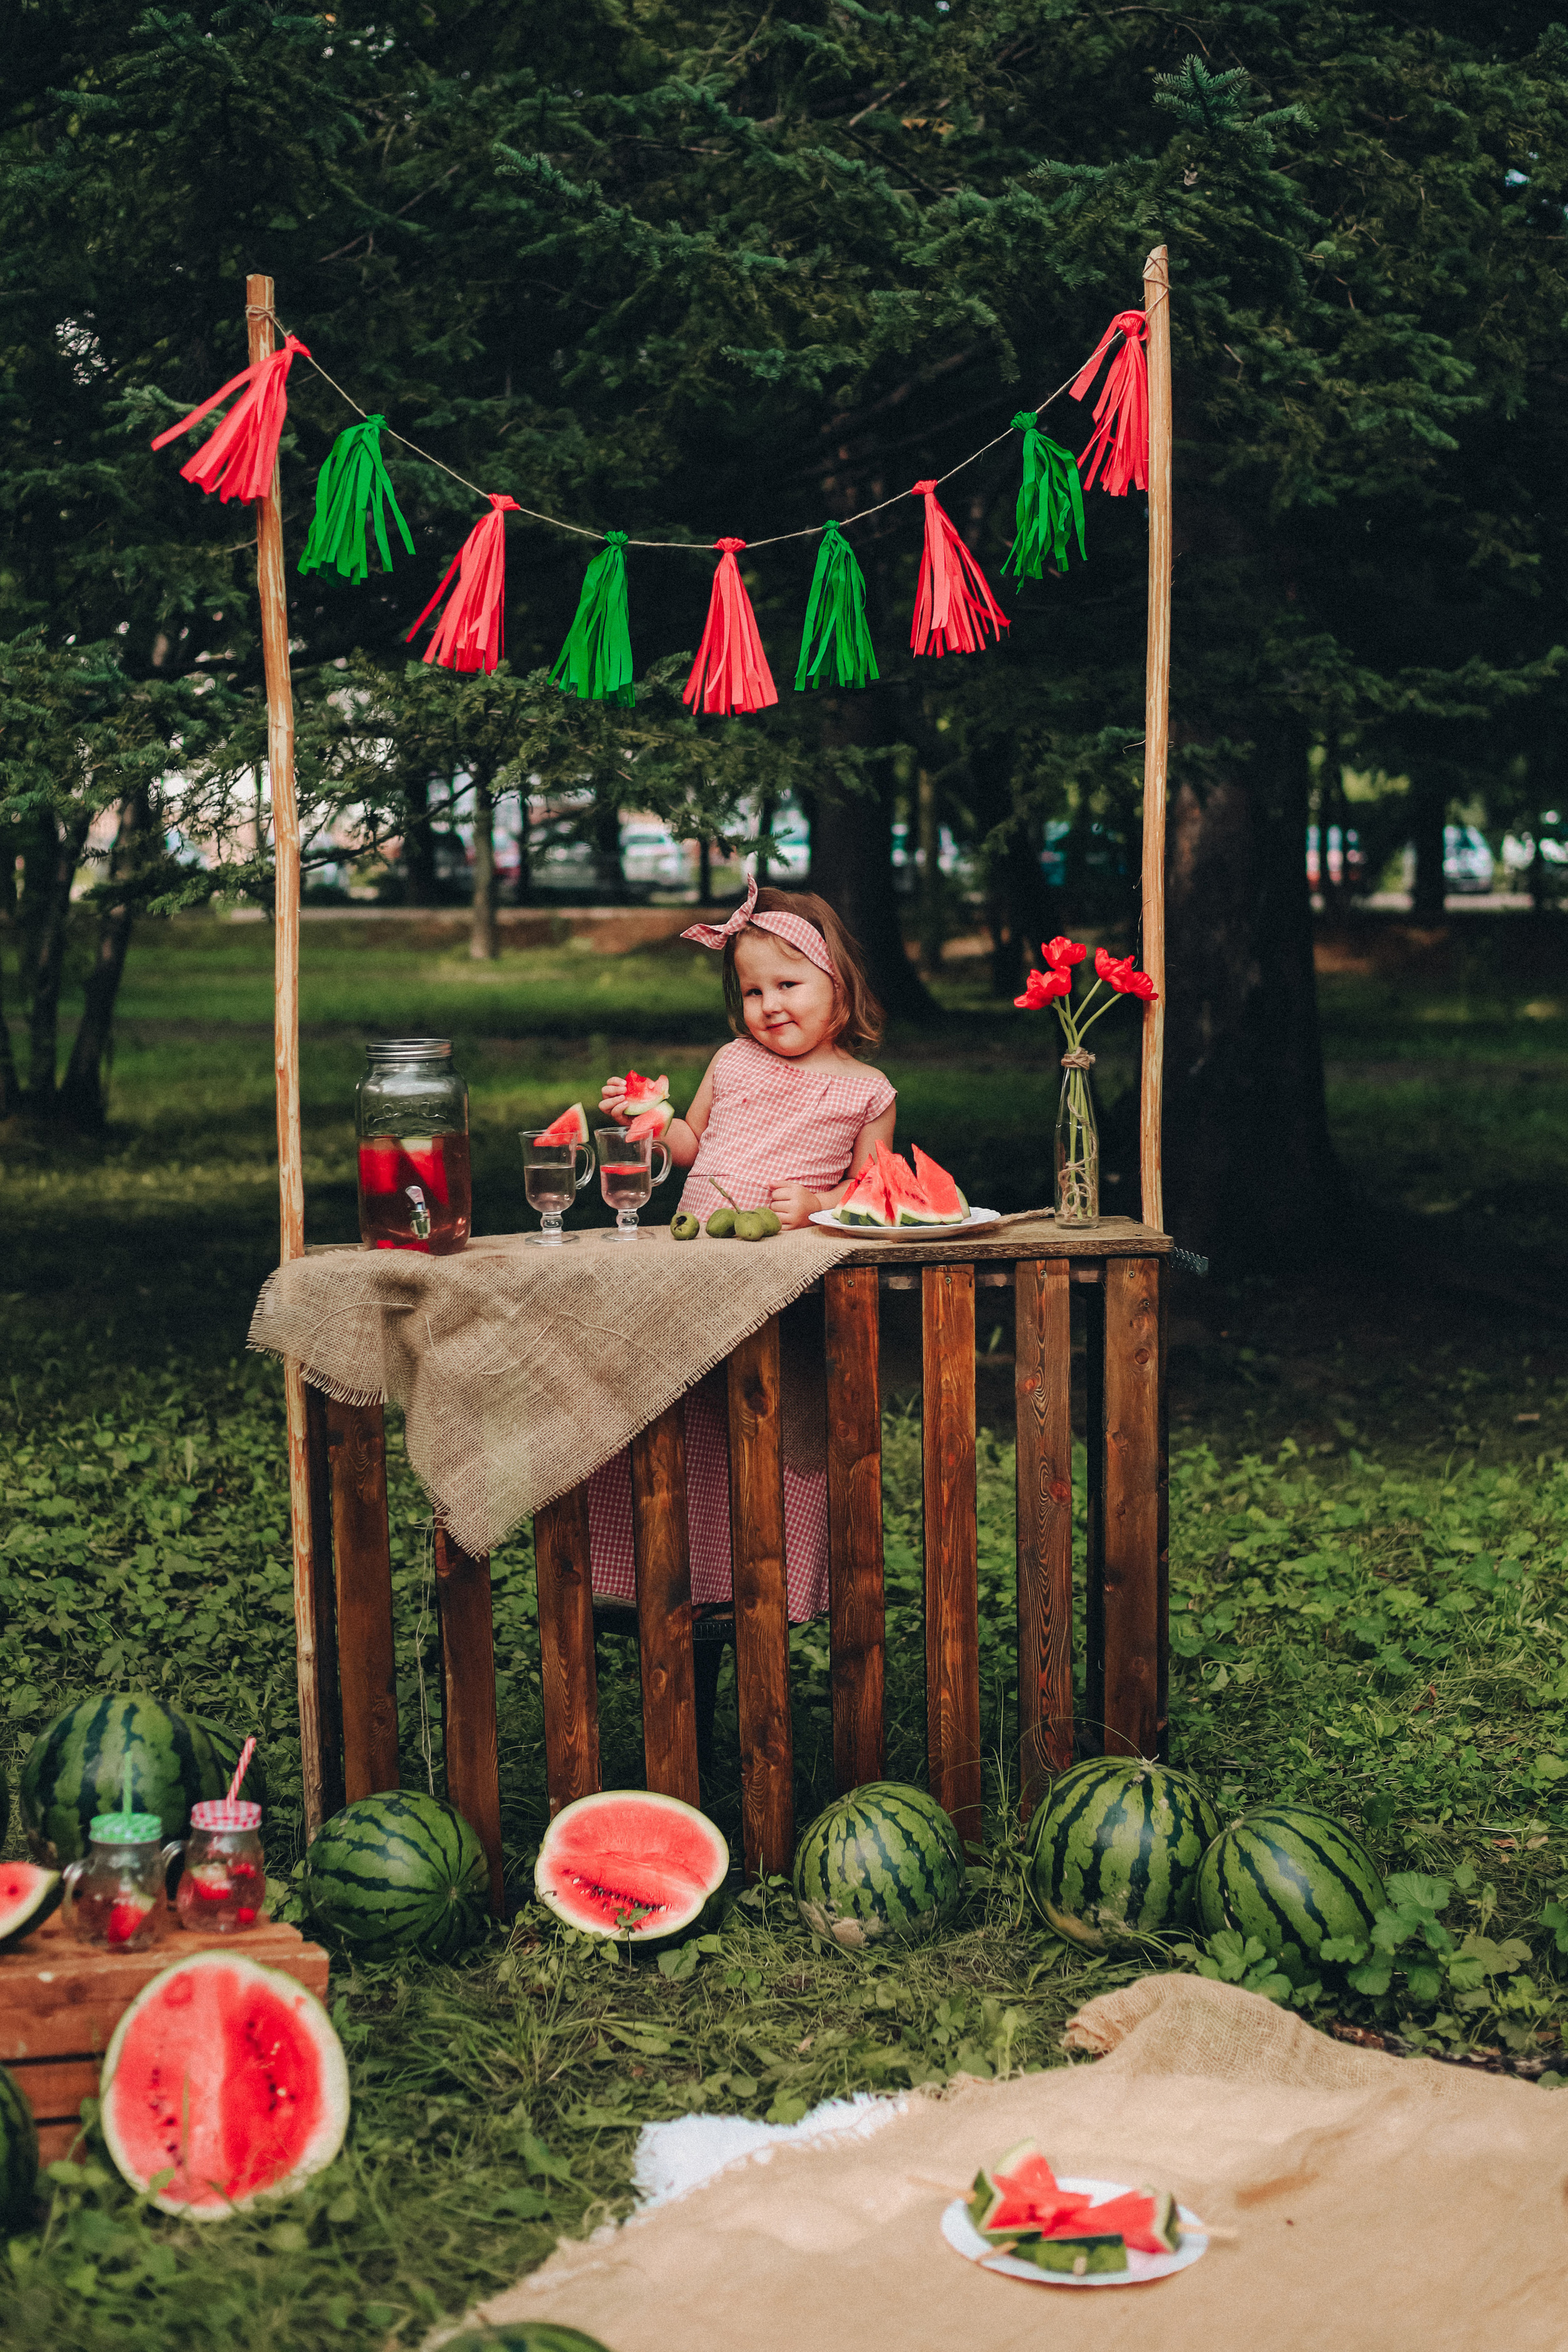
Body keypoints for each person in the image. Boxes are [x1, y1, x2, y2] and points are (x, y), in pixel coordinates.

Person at [587, 877, 895, 1648]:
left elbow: (878, 1190)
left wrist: (819, 1201)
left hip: (778, 1288)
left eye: (788, 984)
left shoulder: (867, 1091)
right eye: (752, 990)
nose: (769, 1005)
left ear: (840, 987)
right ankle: (658, 1580)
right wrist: (654, 1123)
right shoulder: (732, 1062)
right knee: (681, 1426)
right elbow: (692, 1141)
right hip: (694, 1275)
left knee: (761, 1429)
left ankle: (758, 1582)